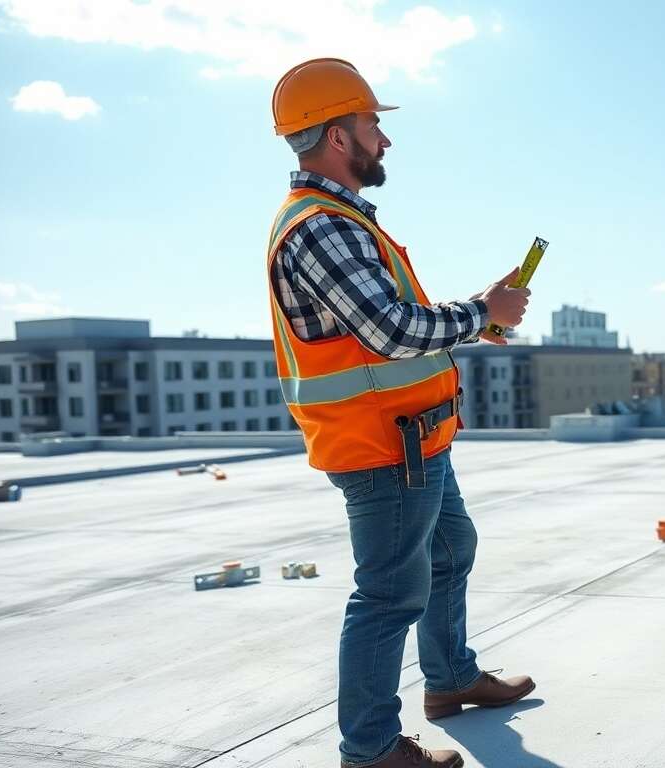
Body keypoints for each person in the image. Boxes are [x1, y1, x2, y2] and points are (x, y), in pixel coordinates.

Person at [267, 58, 535, 768]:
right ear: (337, 136)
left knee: (451, 551)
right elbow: (390, 331)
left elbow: (389, 323)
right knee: (389, 595)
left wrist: (478, 311)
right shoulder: (320, 227)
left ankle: (449, 681)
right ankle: (372, 751)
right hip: (384, 450)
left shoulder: (345, 220)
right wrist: (483, 313)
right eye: (372, 125)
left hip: (417, 441)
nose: (383, 141)